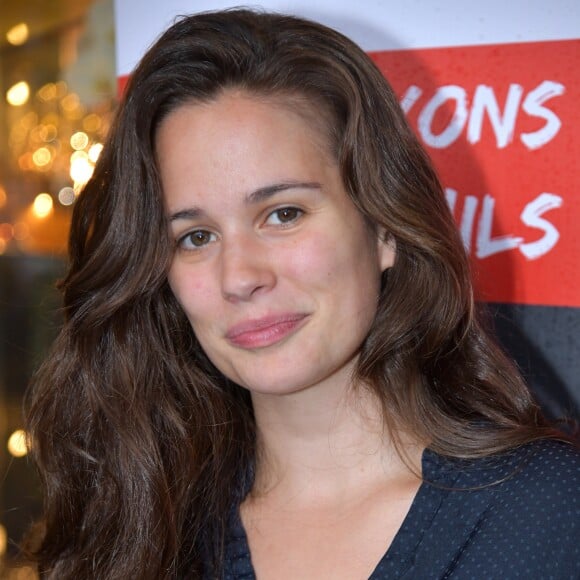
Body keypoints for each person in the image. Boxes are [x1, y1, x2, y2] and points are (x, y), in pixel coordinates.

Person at [24, 8, 578, 580]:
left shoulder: (541, 514)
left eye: (283, 214)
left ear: (384, 227)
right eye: (196, 236)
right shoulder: (138, 527)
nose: (239, 277)